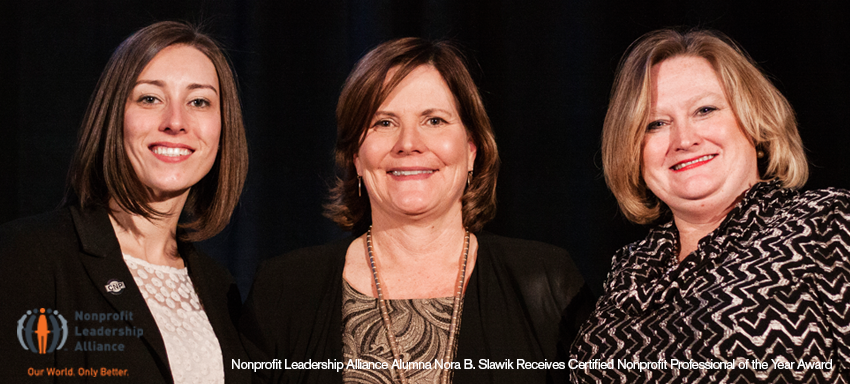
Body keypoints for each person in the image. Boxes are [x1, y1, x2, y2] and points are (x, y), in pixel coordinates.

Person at [240, 37, 593, 383]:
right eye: (384, 123)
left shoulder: (546, 282)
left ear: (472, 148)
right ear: (356, 157)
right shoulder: (285, 289)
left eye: (434, 121)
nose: (408, 143)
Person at [570, 28, 850, 383]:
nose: (684, 139)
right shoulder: (629, 270)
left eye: (705, 110)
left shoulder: (828, 224)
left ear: (754, 121)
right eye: (656, 124)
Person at [0, 21, 250, 383]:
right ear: (113, 115)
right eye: (150, 98)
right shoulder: (28, 256)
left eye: (199, 101)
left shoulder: (219, 287)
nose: (175, 122)